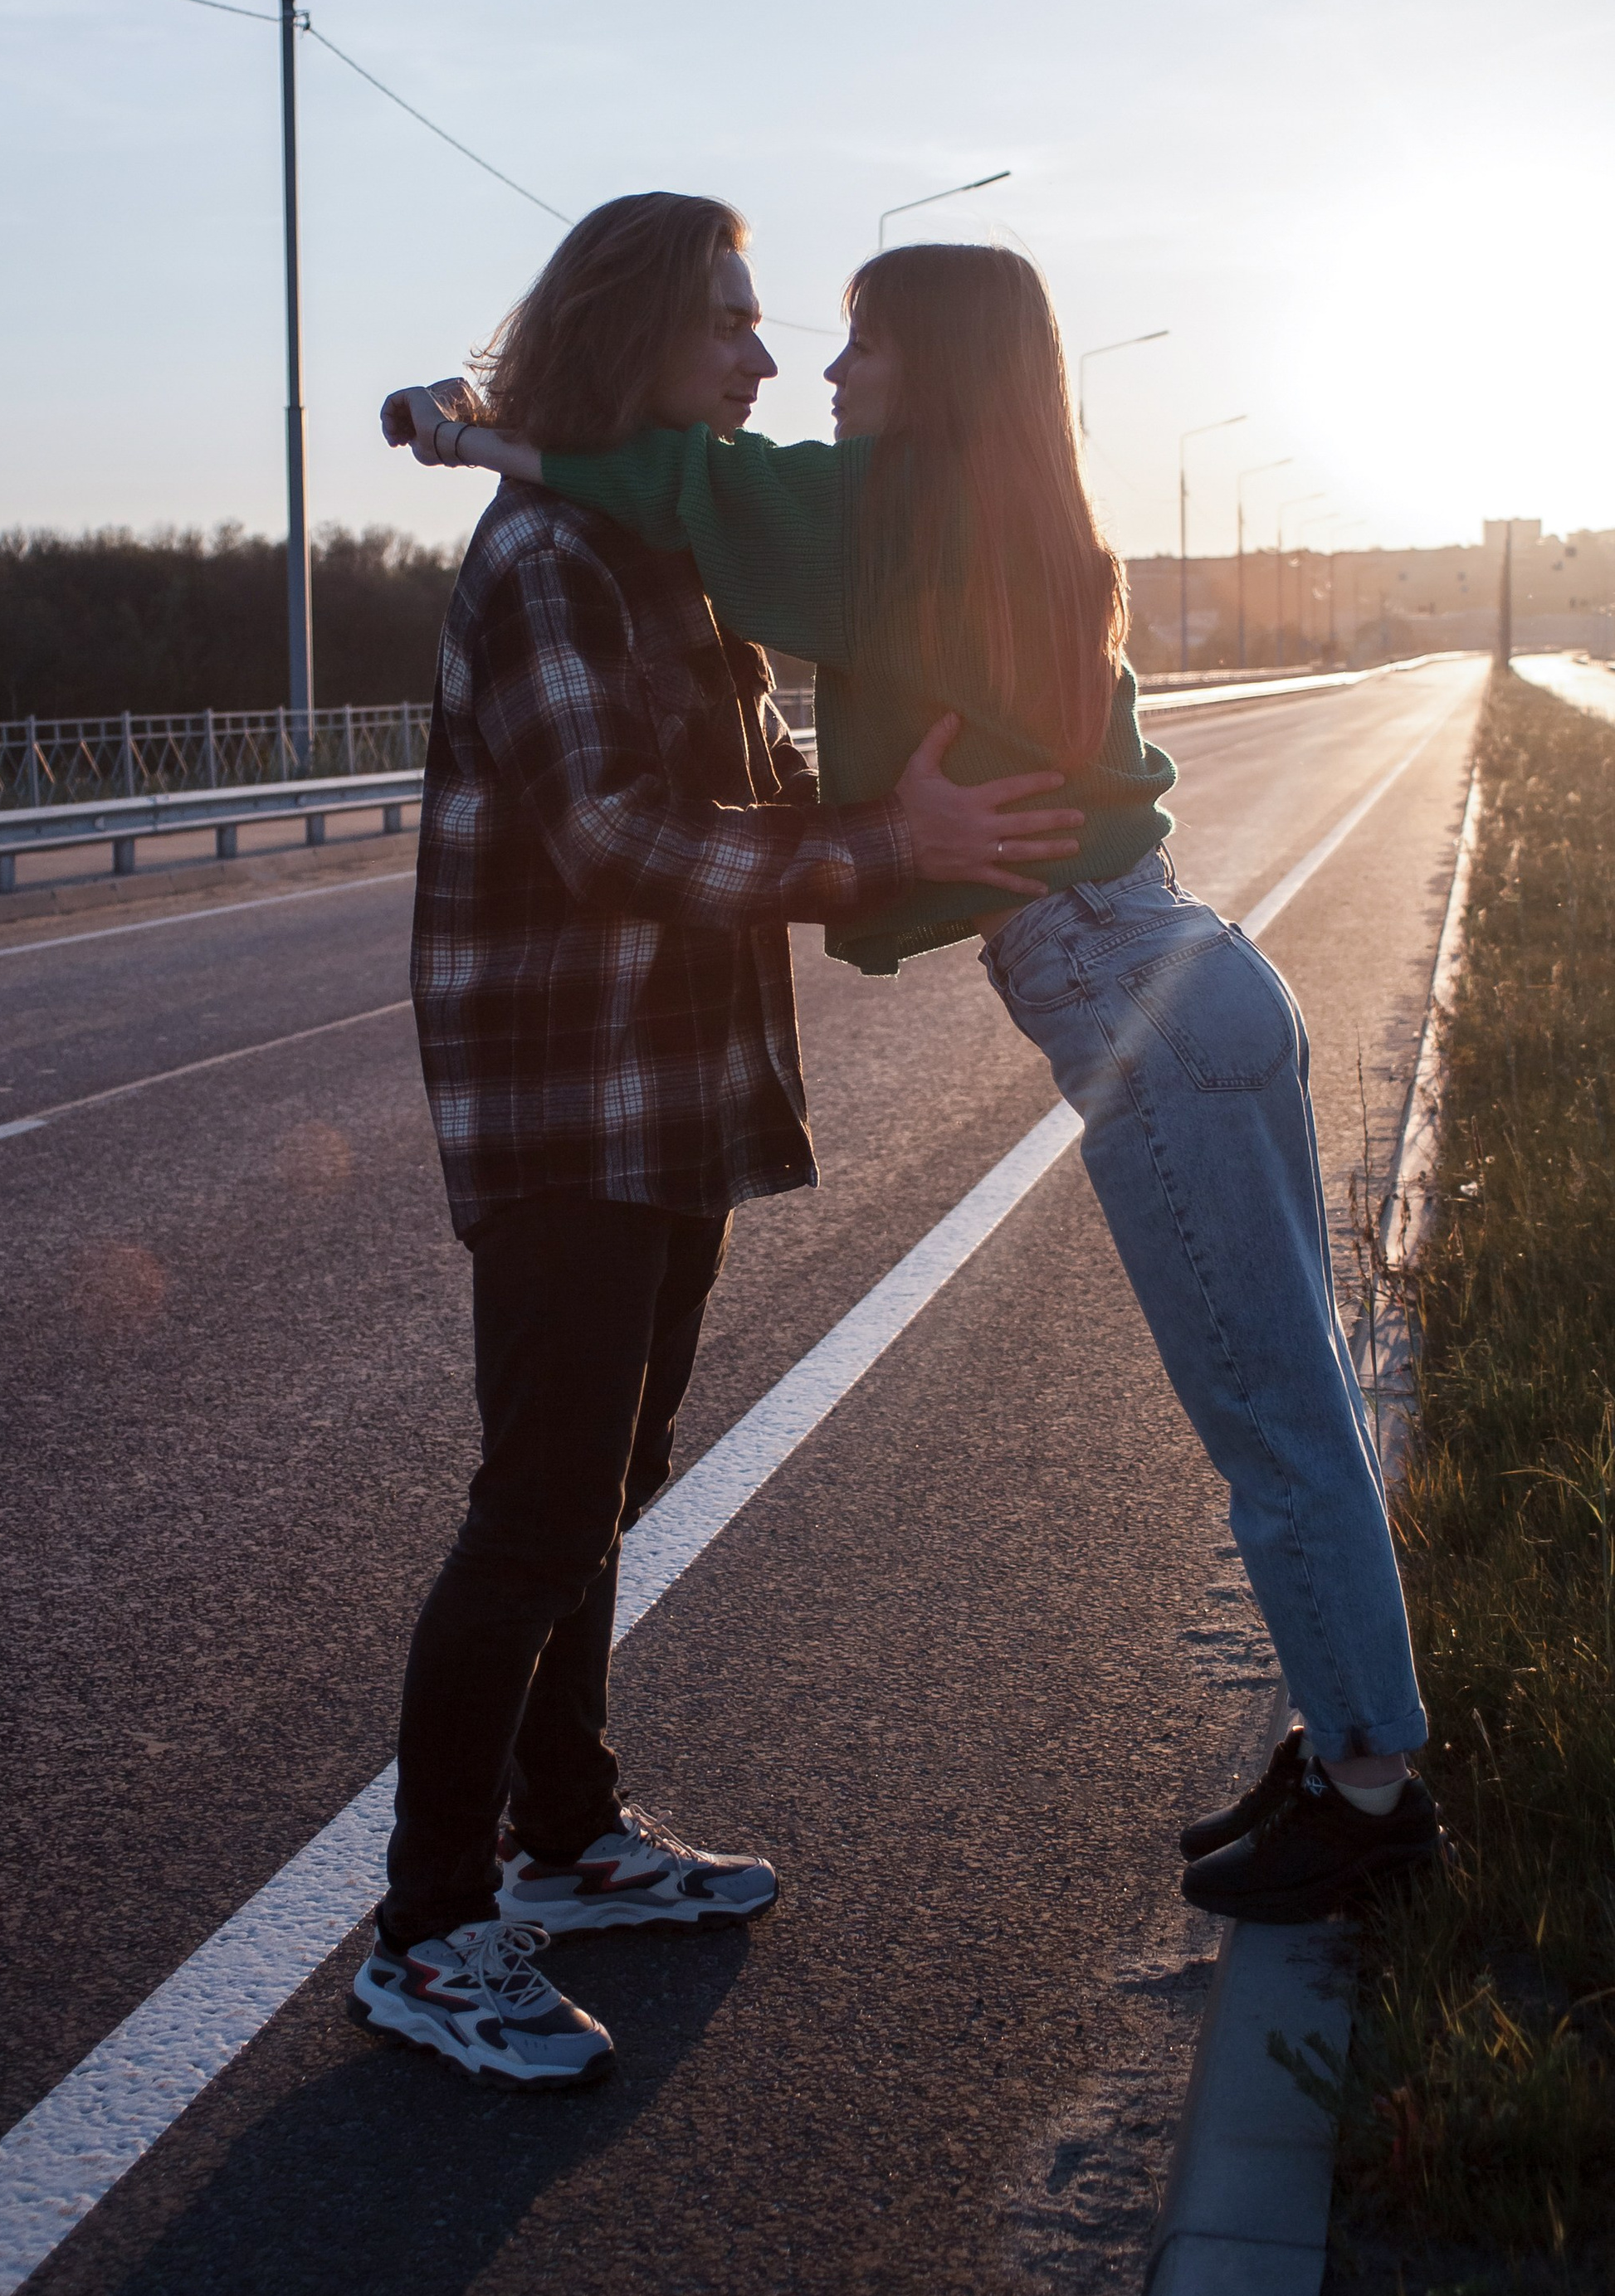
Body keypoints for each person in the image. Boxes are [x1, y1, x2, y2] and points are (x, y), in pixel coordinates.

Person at [384, 241, 1443, 1927]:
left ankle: (1372, 1790)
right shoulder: (1006, 507)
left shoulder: (890, 512)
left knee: (1270, 1415)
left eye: (856, 344)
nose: (814, 372)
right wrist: (885, 837)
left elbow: (672, 480)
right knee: (1286, 1396)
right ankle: (1349, 1751)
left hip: (1137, 991)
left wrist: (467, 430)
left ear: (933, 371)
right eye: (763, 330)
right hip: (1171, 968)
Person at [358, 198, 1087, 2089]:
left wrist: (929, 780)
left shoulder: (662, 547)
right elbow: (617, 840)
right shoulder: (546, 560)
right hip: (568, 1104)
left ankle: (567, 1836)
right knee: (537, 1508)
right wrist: (890, 849)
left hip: (671, 1095)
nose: (764, 363)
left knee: (611, 1480)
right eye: (728, 326)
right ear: (630, 341)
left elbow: (749, 783)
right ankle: (427, 1931)